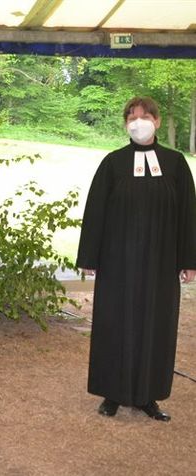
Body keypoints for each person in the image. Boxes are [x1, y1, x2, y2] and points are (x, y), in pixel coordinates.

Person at [77, 96, 195, 422]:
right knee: (114, 323)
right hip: (118, 262)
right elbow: (96, 212)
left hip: (161, 263)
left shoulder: (176, 164)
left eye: (144, 116)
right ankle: (111, 393)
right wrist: (90, 256)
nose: (137, 121)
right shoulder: (112, 163)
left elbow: (188, 214)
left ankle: (148, 396)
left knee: (155, 325)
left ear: (156, 121)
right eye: (131, 116)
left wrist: (189, 260)